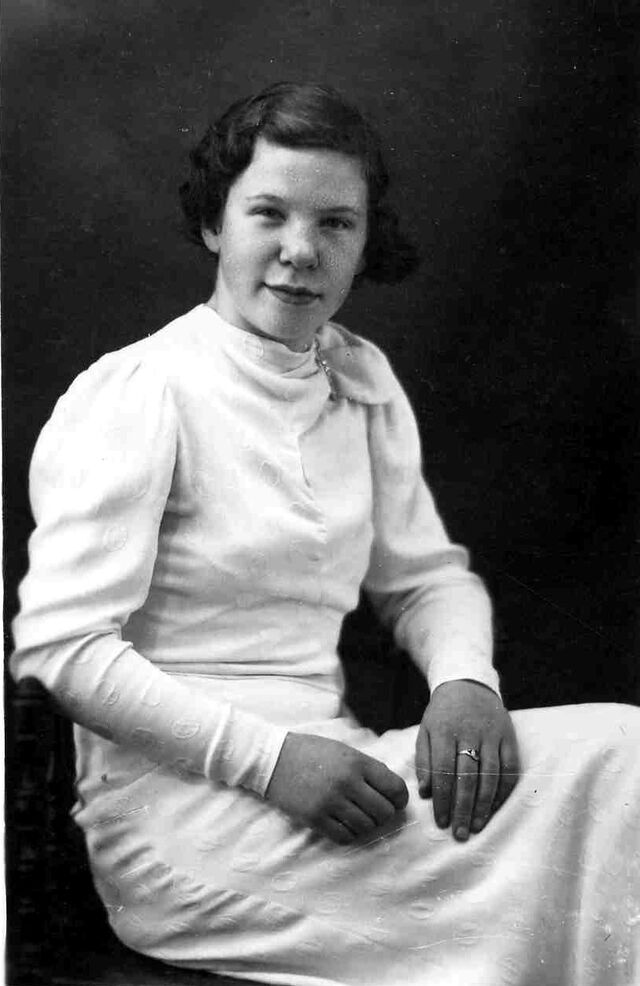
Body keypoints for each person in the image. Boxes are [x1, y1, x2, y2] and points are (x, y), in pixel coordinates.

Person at [11, 82, 639, 986]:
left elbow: (425, 578)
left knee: (623, 758)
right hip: (187, 818)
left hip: (343, 772)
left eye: (336, 223)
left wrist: (466, 681)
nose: (301, 251)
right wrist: (272, 763)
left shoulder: (360, 378)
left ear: (364, 241)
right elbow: (60, 650)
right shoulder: (142, 392)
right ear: (214, 225)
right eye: (268, 213)